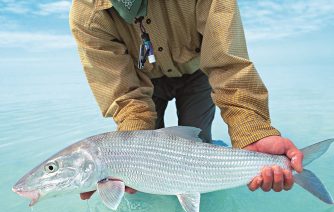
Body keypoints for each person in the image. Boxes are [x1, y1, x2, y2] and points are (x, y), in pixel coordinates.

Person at [69, 0, 303, 200]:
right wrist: (128, 159)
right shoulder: (87, 14)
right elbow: (125, 95)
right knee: (142, 172)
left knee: (199, 144)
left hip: (198, 73)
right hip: (143, 84)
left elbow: (227, 64)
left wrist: (253, 130)